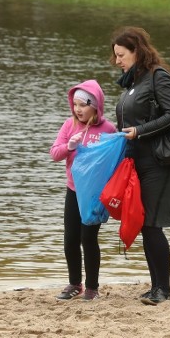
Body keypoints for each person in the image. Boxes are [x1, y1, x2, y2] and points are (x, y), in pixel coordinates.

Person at [109, 26, 170, 306]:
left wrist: (140, 132)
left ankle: (163, 290)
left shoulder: (158, 77)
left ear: (137, 51)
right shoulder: (132, 83)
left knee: (152, 223)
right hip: (140, 162)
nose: (117, 61)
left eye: (121, 55)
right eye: (115, 56)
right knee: (144, 224)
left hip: (162, 162)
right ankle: (157, 287)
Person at [50, 80, 117, 301]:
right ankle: (74, 283)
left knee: (88, 239)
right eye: (75, 104)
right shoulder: (69, 126)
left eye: (83, 105)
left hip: (95, 196)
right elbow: (54, 154)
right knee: (70, 239)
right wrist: (69, 146)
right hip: (74, 190)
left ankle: (92, 287)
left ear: (95, 106)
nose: (77, 109)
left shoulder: (107, 129)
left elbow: (115, 159)